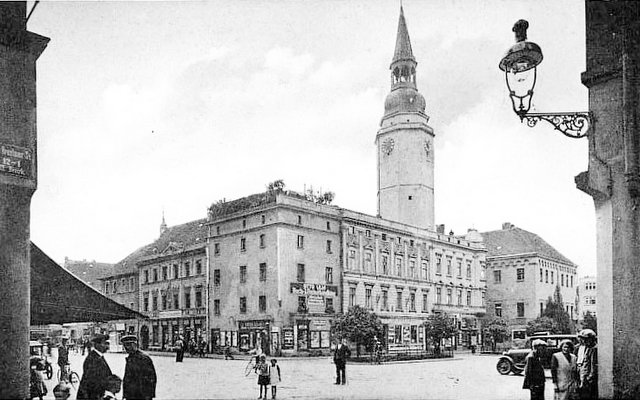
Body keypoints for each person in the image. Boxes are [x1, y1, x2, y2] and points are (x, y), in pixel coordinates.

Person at [77, 334, 114, 400]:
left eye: (108, 344)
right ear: (97, 345)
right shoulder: (93, 359)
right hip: (92, 395)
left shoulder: (98, 356)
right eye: (105, 344)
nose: (107, 347)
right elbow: (92, 382)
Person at [121, 334, 157, 400]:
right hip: (131, 395)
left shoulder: (143, 358)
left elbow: (151, 378)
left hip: (140, 395)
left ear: (134, 345)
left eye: (128, 345)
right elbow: (127, 378)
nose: (126, 348)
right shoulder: (130, 357)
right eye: (125, 345)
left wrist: (148, 395)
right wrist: (125, 394)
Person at [576, 329, 598, 400]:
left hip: (589, 379)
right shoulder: (587, 348)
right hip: (584, 377)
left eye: (586, 339)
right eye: (583, 339)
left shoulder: (594, 349)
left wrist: (589, 377)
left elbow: (593, 364)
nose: (584, 341)